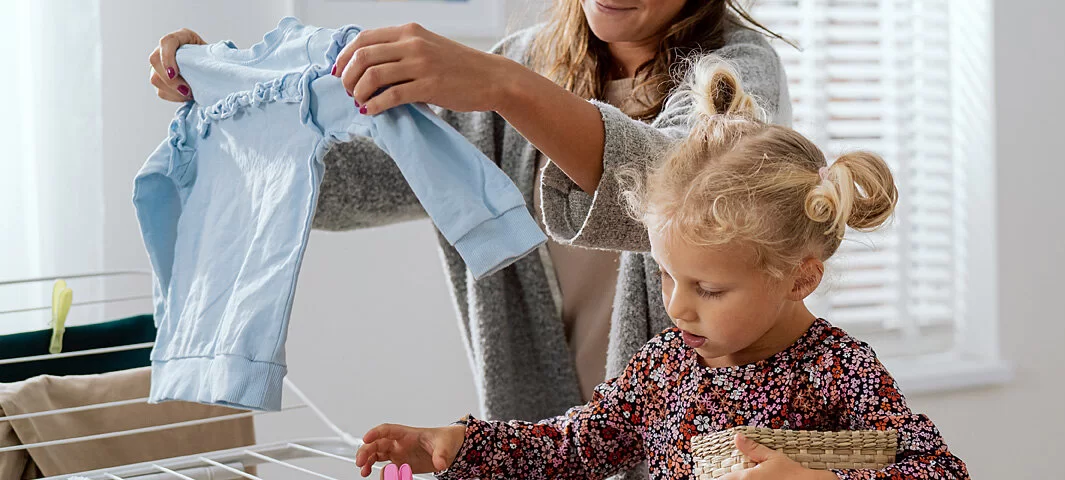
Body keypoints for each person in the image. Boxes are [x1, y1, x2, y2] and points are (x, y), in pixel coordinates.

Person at [146, 0, 792, 424]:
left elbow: (686, 200)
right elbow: (347, 189)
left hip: (691, 428)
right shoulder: (525, 61)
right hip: (540, 431)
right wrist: (230, 108)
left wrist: (506, 89)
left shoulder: (736, 72)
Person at [351, 56, 970, 480]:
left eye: (709, 288)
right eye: (669, 276)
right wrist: (458, 447)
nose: (677, 306)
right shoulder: (665, 365)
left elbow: (939, 470)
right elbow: (572, 448)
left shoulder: (839, 371)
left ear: (800, 278)